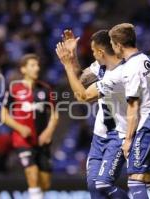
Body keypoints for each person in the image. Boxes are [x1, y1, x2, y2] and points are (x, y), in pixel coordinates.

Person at [56, 30, 129, 199]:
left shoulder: (119, 74)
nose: (92, 54)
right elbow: (80, 80)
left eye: (93, 51)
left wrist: (66, 65)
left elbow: (83, 96)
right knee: (94, 189)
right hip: (100, 135)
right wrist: (72, 56)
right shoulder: (101, 66)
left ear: (101, 52)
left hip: (118, 135)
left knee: (103, 184)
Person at [109, 23, 150, 199]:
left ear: (118, 45)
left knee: (135, 181)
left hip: (147, 127)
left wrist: (129, 139)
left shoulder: (131, 67)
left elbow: (134, 106)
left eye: (112, 43)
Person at [1, 54, 58, 199]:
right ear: (23, 69)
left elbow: (55, 114)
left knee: (45, 183)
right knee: (32, 175)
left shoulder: (46, 89)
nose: (37, 68)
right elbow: (4, 115)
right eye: (32, 65)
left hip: (42, 140)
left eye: (37, 65)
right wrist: (20, 128)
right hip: (23, 140)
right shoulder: (14, 89)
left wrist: (49, 132)